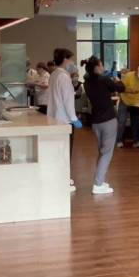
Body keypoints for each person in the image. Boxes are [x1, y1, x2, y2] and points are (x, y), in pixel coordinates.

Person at [83, 57, 125, 195]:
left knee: (102, 152)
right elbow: (121, 88)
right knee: (107, 153)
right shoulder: (104, 79)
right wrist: (117, 79)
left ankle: (100, 180)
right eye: (101, 65)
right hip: (108, 120)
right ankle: (98, 184)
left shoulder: (87, 82)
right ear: (96, 67)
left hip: (95, 121)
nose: (102, 67)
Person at [48, 48, 83, 192]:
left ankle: (61, 177)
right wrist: (74, 119)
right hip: (65, 120)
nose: (72, 62)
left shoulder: (54, 74)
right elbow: (68, 101)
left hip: (54, 117)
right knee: (65, 151)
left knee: (58, 150)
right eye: (70, 59)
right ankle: (64, 180)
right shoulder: (63, 77)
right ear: (65, 60)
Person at [117, 65, 139, 148]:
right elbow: (120, 88)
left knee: (136, 121)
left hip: (136, 102)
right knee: (121, 121)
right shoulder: (128, 76)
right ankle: (119, 140)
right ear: (136, 72)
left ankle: (137, 141)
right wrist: (130, 91)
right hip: (124, 100)